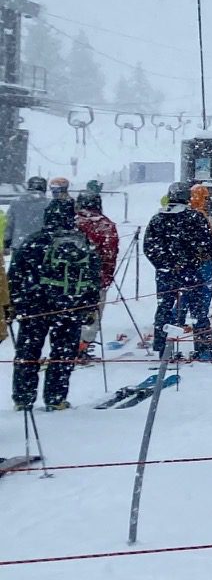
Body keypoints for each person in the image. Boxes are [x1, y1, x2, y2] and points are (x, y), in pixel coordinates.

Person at [8, 197, 103, 411]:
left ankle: (23, 398)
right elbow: (93, 278)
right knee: (63, 353)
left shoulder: (34, 241)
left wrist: (14, 303)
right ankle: (56, 398)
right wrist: (89, 306)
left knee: (28, 352)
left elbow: (15, 275)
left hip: (35, 307)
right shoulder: (83, 243)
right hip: (71, 307)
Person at [143, 183, 212, 362]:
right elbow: (208, 243)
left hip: (165, 273)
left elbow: (148, 248)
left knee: (165, 308)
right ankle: (203, 349)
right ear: (187, 198)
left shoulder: (157, 219)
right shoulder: (194, 217)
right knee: (198, 310)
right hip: (190, 271)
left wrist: (164, 264)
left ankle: (163, 350)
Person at [73, 185, 120, 359]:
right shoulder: (105, 225)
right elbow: (110, 253)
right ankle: (83, 346)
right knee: (92, 314)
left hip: (69, 280)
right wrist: (106, 276)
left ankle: (68, 344)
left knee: (71, 312)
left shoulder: (72, 221)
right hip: (96, 279)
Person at [8, 176, 51, 245]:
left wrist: (7, 242)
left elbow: (9, 224)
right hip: (43, 244)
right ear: (44, 188)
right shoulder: (50, 204)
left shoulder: (16, 203)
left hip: (19, 244)